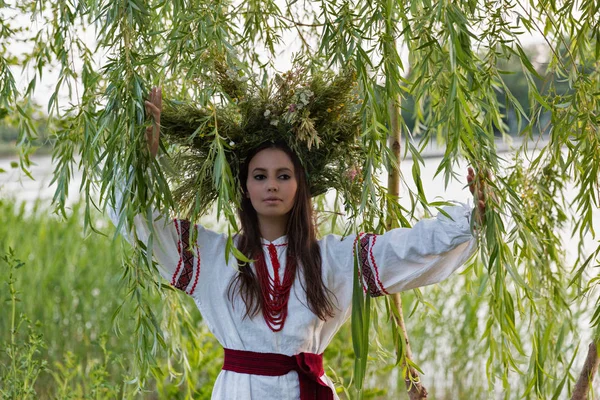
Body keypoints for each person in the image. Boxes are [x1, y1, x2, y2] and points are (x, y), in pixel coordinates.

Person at [109, 86, 486, 400]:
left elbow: (406, 248)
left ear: (300, 186)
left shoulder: (333, 260)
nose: (271, 184)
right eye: (259, 175)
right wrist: (142, 161)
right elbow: (140, 222)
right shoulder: (212, 256)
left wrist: (472, 218)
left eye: (283, 175)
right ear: (244, 186)